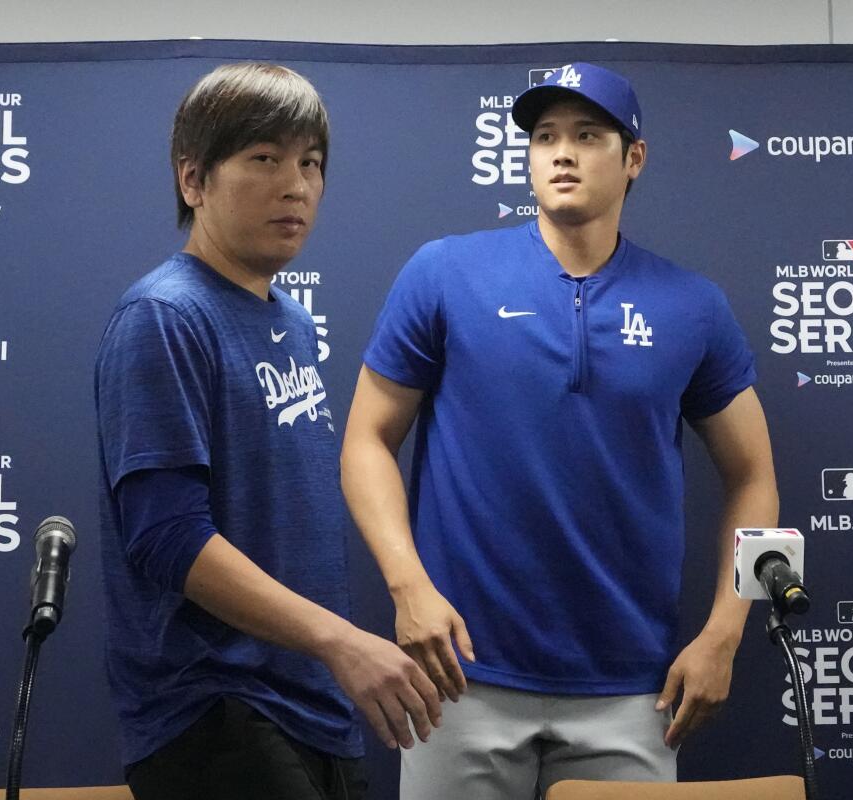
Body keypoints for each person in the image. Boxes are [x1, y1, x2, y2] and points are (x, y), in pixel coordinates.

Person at [341, 62, 779, 799]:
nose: (562, 153)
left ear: (633, 157)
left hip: (630, 692)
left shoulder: (693, 305)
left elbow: (756, 477)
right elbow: (365, 440)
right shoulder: (446, 273)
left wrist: (724, 634)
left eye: (587, 135)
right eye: (545, 137)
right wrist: (407, 584)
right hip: (460, 680)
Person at [94, 62, 440, 800]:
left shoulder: (290, 319)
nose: (297, 186)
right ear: (194, 180)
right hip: (216, 708)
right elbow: (166, 537)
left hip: (312, 704)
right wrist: (339, 639)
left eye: (311, 163)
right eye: (264, 159)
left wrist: (327, 656)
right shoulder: (165, 315)